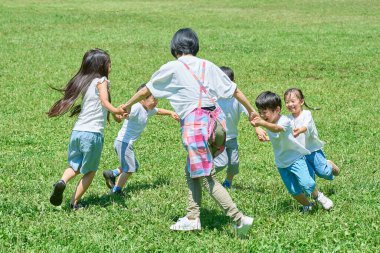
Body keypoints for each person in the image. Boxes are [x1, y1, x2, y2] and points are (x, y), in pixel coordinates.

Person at [121, 28, 258, 236]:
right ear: (195, 46)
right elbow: (234, 90)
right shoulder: (207, 65)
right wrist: (251, 111)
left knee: (207, 177)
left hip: (196, 127)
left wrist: (126, 105)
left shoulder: (173, 67)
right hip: (217, 126)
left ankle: (239, 219)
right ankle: (192, 217)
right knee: (192, 169)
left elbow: (145, 90)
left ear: (174, 47)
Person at [47, 48, 124, 210]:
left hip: (77, 132)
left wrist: (118, 114)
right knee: (89, 171)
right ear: (102, 66)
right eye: (109, 63)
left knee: (74, 166)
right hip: (92, 134)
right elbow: (104, 102)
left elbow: (105, 108)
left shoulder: (86, 83)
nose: (111, 66)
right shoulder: (102, 81)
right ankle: (74, 203)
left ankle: (61, 182)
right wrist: (116, 110)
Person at [252, 91, 334, 212]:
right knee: (294, 190)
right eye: (260, 112)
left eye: (265, 112)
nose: (262, 115)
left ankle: (320, 197)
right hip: (281, 162)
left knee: (307, 184)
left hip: (296, 159)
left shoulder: (284, 121)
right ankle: (307, 205)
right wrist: (259, 130)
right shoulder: (269, 122)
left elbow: (277, 129)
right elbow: (253, 117)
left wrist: (261, 123)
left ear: (277, 110)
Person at [102, 83, 179, 194]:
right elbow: (123, 116)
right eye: (153, 99)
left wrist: (170, 113)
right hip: (123, 142)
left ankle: (112, 173)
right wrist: (118, 113)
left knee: (134, 165)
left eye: (156, 99)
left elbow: (159, 111)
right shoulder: (137, 108)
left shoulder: (147, 109)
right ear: (142, 99)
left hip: (126, 143)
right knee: (129, 168)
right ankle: (115, 190)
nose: (156, 102)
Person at [214, 66, 268, 189]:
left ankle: (228, 182)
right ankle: (202, 176)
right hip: (217, 138)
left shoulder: (237, 99)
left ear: (232, 84)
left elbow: (251, 114)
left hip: (232, 137)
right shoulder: (213, 98)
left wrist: (257, 128)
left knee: (233, 163)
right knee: (221, 163)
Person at [284, 88, 340, 180]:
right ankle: (313, 193)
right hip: (299, 154)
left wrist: (300, 130)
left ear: (301, 101)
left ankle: (329, 164)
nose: (290, 104)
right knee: (308, 177)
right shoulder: (287, 119)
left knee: (323, 172)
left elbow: (307, 126)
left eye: (292, 101)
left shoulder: (307, 114)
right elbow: (281, 131)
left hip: (313, 150)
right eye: (287, 102)